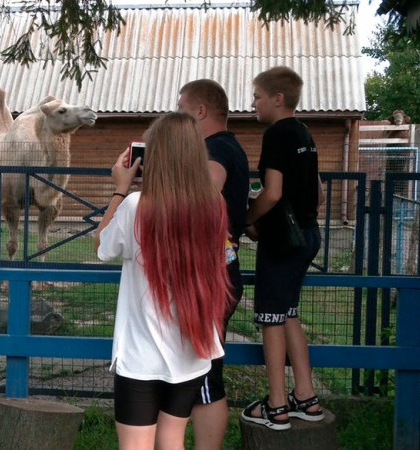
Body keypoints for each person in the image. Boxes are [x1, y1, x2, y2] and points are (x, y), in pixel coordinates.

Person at [95, 112, 233, 450]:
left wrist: (120, 188)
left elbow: (102, 245)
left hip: (141, 358)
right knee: (172, 442)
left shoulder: (135, 206)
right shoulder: (213, 204)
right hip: (192, 351)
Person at [241, 66, 326, 430]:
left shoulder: (276, 134)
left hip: (280, 243)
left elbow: (272, 193)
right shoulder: (306, 132)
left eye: (257, 97)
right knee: (289, 312)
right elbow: (319, 194)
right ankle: (306, 397)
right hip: (308, 235)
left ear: (277, 99)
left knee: (271, 319)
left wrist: (248, 218)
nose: (254, 103)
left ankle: (276, 405)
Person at [177, 79, 249, 447]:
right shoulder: (228, 146)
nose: (179, 118)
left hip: (211, 275)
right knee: (199, 370)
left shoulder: (216, 148)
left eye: (182, 110)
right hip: (217, 271)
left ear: (200, 111)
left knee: (204, 375)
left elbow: (204, 193)